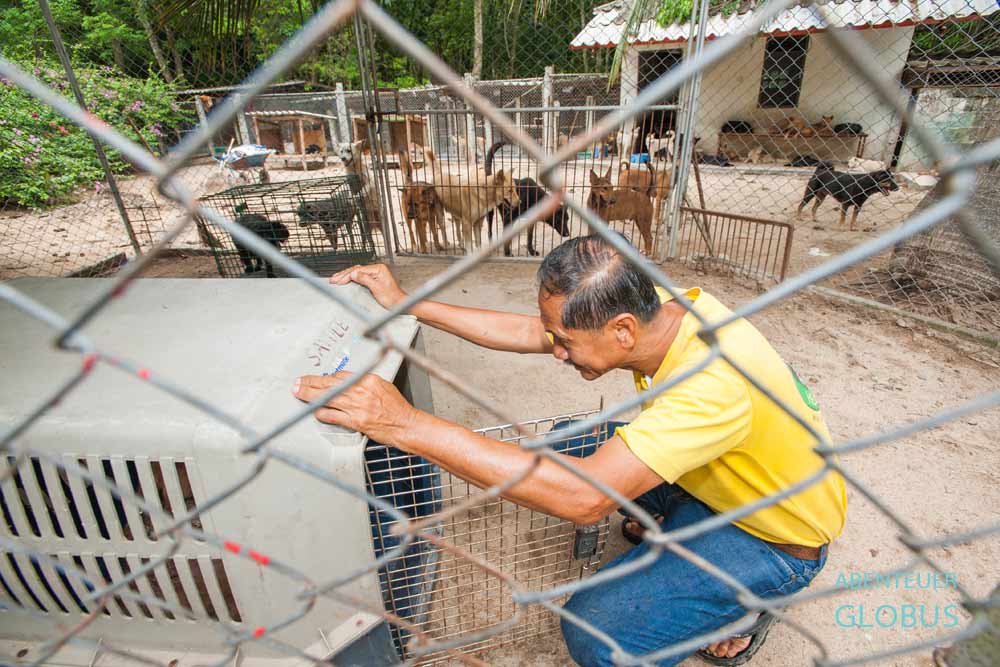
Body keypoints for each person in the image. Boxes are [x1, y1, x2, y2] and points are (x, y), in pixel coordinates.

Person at [292, 235, 847, 666]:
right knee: (569, 444)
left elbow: (583, 499)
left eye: (565, 341)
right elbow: (526, 331)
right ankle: (674, 530)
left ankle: (745, 607)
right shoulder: (667, 315)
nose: (554, 351)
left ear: (622, 331)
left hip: (774, 538)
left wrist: (404, 423)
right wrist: (406, 304)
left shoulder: (711, 383)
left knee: (594, 628)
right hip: (731, 480)